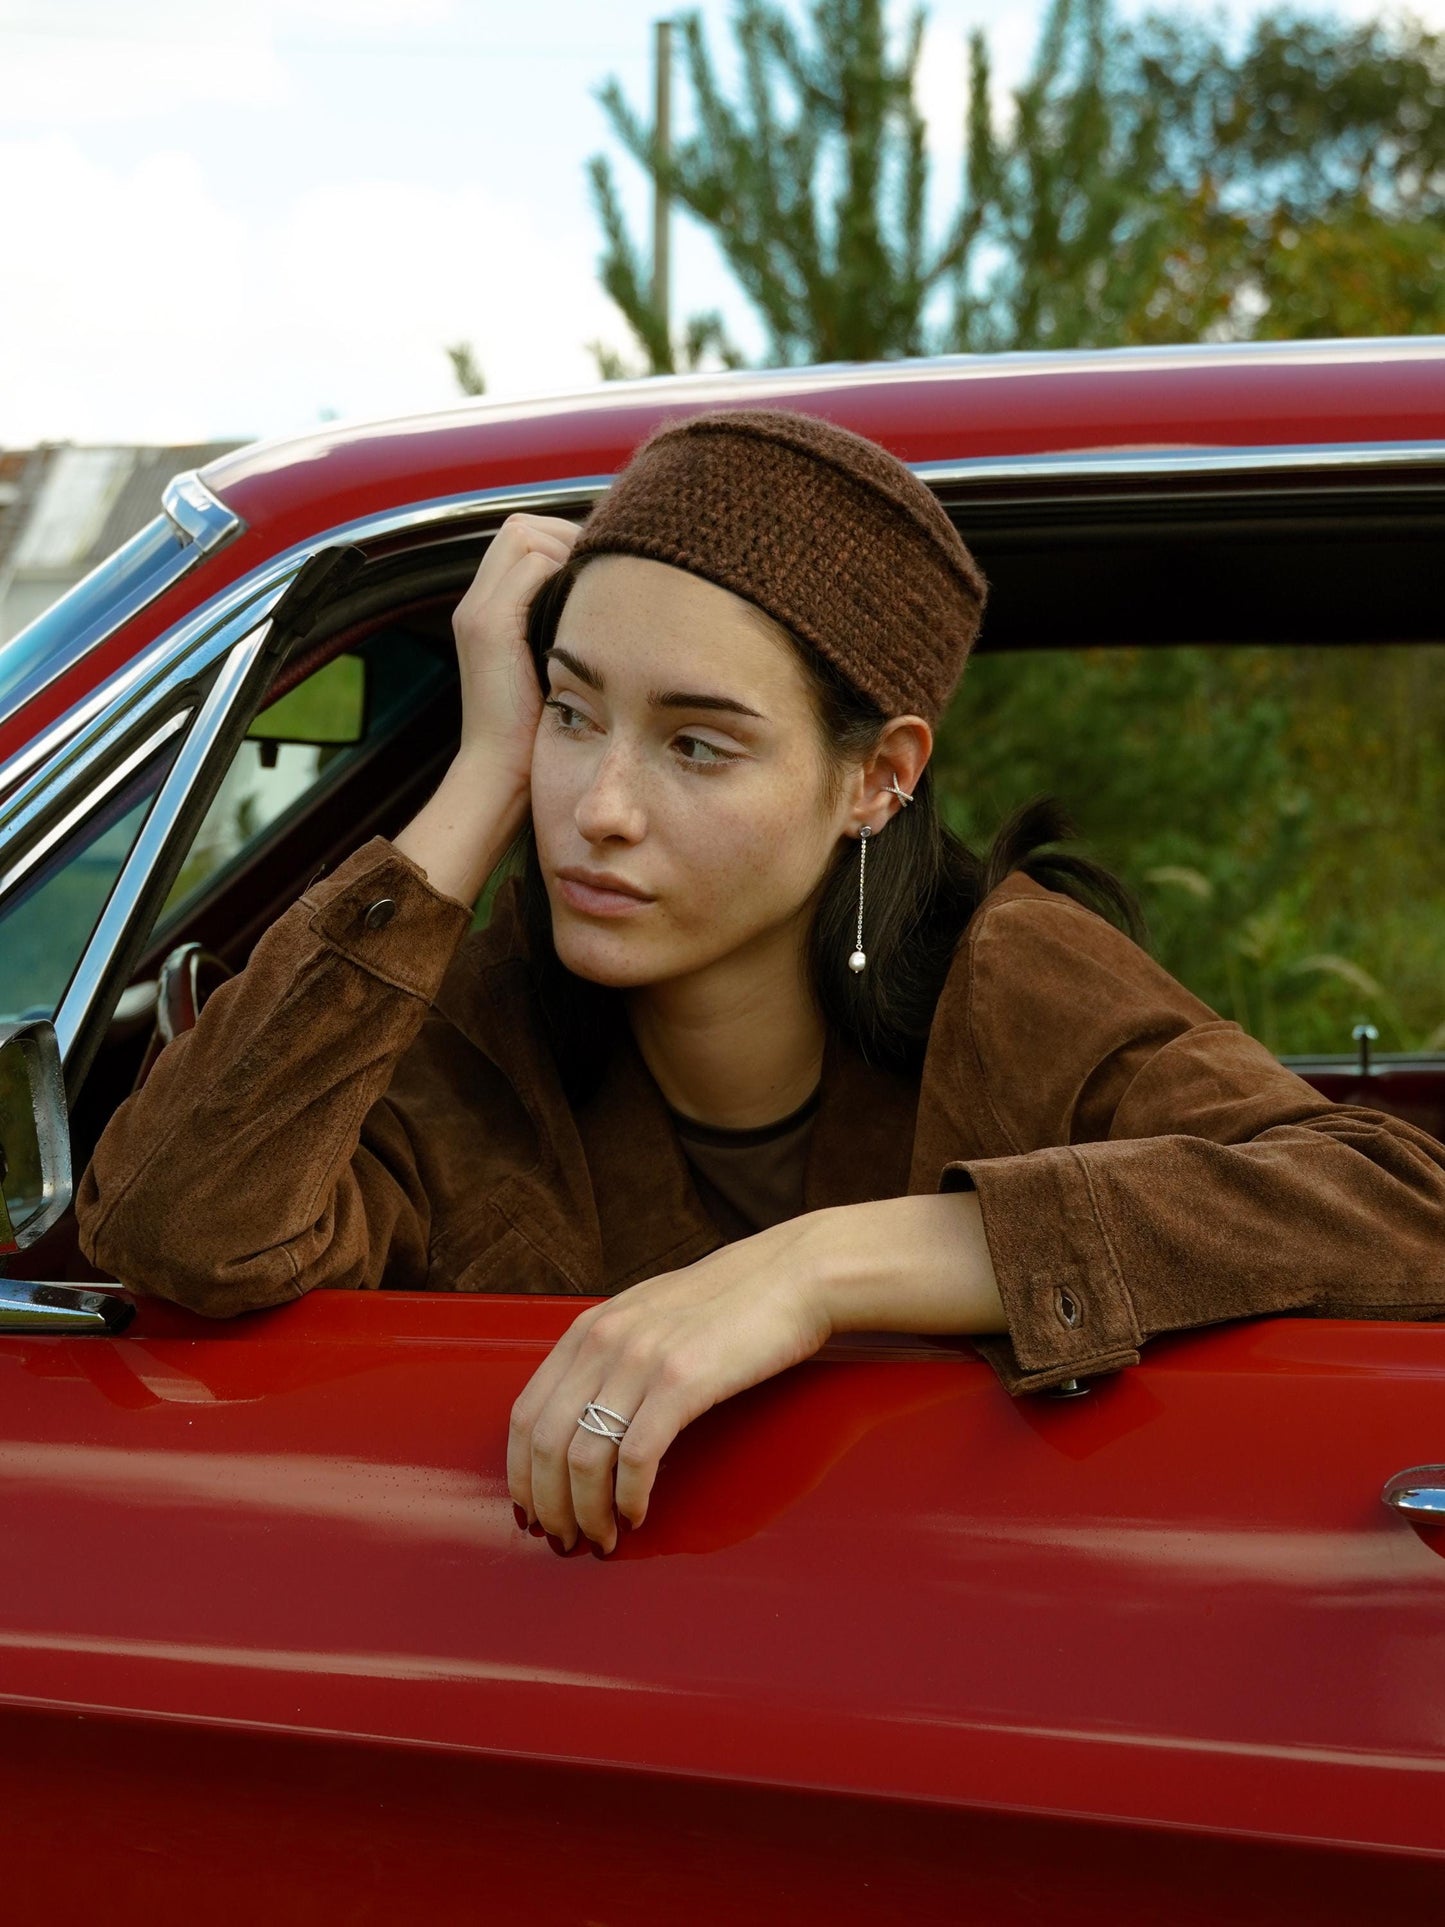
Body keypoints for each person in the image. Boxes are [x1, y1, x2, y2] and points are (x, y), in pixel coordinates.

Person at [76, 409, 1445, 1557]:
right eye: (571, 710)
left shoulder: (1003, 979)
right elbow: (171, 1230)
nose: (597, 809)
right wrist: (483, 769)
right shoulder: (470, 1030)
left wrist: (817, 1269)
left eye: (698, 746)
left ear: (874, 779)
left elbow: (1400, 1209)